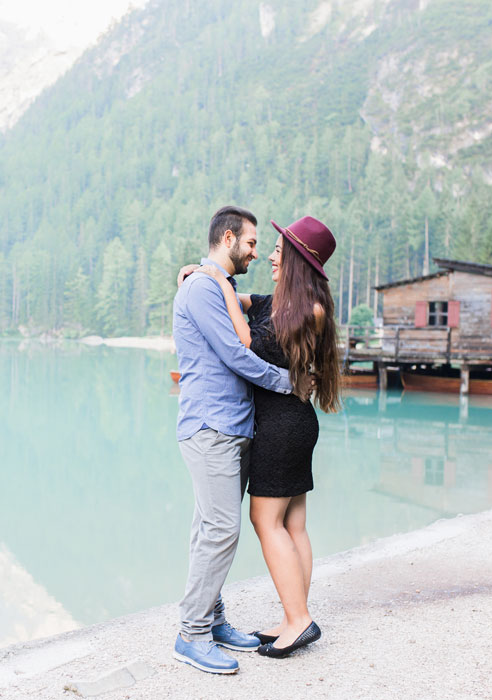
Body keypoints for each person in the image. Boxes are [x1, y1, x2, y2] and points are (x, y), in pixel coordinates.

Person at [194, 215, 341, 659]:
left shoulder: (302, 311)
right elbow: (242, 300)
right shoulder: (290, 302)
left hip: (281, 427)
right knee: (294, 523)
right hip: (296, 423)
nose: (271, 257)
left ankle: (298, 620)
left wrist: (213, 278)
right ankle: (294, 614)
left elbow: (243, 341)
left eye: (279, 250)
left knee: (265, 520)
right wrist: (202, 276)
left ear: (297, 259)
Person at [170, 205, 296, 675]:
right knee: (221, 530)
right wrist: (286, 382)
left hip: (232, 427)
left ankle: (213, 620)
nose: (255, 253)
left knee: (210, 528)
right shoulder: (202, 288)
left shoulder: (220, 286)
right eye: (251, 243)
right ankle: (192, 634)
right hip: (211, 428)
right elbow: (234, 355)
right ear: (228, 238)